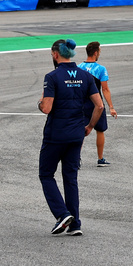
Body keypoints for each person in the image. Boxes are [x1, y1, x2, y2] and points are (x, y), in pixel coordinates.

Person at [38, 38, 103, 236]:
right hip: (77, 134)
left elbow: (47, 107)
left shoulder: (52, 76)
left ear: (56, 54)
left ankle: (62, 214)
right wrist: (90, 126)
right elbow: (99, 106)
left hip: (56, 134)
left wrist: (39, 103)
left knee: (46, 174)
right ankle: (75, 224)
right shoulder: (85, 76)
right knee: (70, 177)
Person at [77, 41, 118, 166]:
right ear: (95, 53)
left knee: (79, 131)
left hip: (82, 104)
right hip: (97, 103)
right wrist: (111, 107)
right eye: (99, 51)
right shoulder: (100, 69)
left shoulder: (78, 68)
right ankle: (100, 159)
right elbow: (105, 89)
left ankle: (76, 158)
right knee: (100, 130)